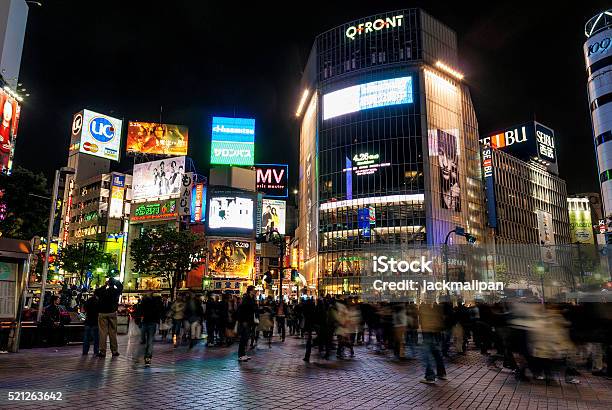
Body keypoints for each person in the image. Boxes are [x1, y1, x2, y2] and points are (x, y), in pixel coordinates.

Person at [419, 300, 447, 384]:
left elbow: (424, 323)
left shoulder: (425, 310)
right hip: (435, 334)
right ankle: (441, 373)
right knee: (436, 353)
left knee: (426, 355)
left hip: (428, 334)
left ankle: (430, 376)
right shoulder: (436, 310)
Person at [96, 277, 123, 358]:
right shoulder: (115, 292)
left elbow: (96, 291)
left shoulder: (103, 291)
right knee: (113, 332)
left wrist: (104, 285)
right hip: (112, 312)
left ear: (108, 283)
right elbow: (121, 287)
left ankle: (102, 351)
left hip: (102, 313)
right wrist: (115, 282)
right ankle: (114, 351)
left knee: (102, 333)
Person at [138, 293, 164, 366]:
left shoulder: (151, 301)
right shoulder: (147, 301)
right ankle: (147, 356)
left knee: (148, 340)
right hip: (149, 322)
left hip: (149, 322)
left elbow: (140, 311)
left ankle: (147, 357)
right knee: (148, 340)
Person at [236, 285, 256, 361]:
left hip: (249, 320)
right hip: (246, 321)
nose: (255, 291)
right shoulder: (246, 299)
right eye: (254, 290)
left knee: (246, 338)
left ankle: (243, 354)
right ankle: (241, 355)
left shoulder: (251, 298)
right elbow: (242, 310)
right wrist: (243, 320)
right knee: (243, 338)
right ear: (250, 291)